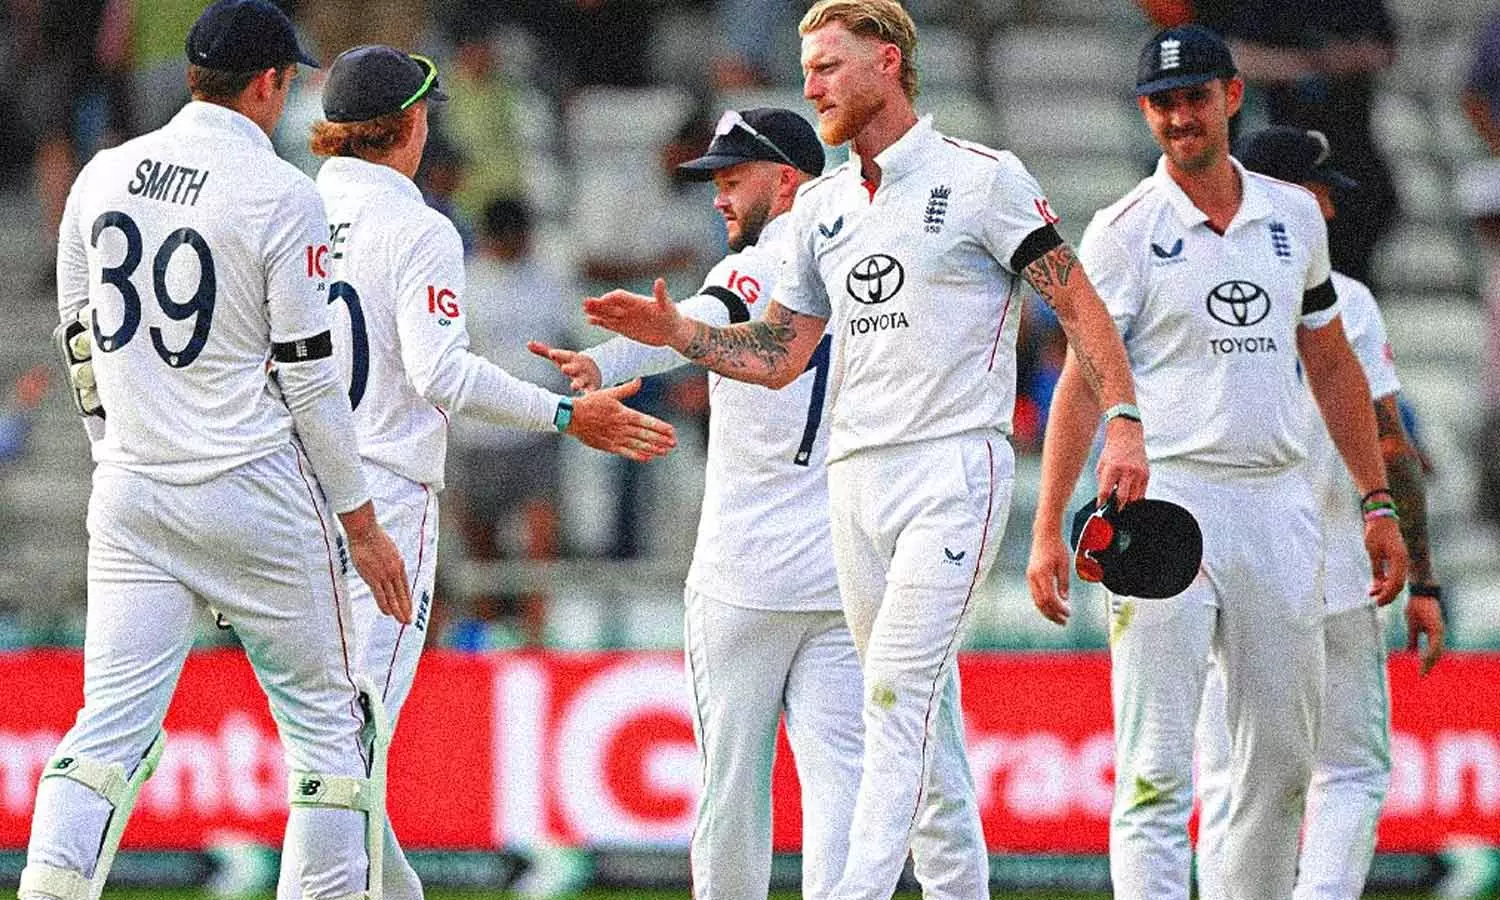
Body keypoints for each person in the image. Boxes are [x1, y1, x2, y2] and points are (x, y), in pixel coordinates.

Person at [583, 3, 1150, 897]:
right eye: (807, 68)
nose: (810, 86)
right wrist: (678, 335)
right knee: (927, 735)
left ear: (887, 62)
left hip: (952, 467)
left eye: (828, 66)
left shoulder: (981, 178)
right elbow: (778, 353)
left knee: (892, 695)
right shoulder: (824, 208)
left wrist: (1123, 418)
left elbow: (1078, 301)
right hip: (855, 482)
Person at [23, 3, 413, 900]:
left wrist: (114, 450)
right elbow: (309, 378)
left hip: (132, 489)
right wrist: (361, 526)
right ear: (270, 82)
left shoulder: (102, 173)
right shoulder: (283, 194)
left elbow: (78, 341)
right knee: (330, 731)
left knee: (106, 733)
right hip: (252, 489)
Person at [278, 44, 678, 900]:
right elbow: (442, 376)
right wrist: (565, 414)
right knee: (350, 744)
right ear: (408, 126)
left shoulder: (292, 214)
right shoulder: (419, 227)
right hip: (383, 500)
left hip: (292, 495)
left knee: (330, 739)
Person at [1023, 26, 1408, 900]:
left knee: (1280, 763)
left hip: (1277, 502)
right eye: (1162, 103)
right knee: (1156, 767)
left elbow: (1332, 363)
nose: (1179, 117)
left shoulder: (1293, 217)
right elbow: (1083, 381)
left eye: (1195, 97)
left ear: (1232, 96)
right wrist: (1048, 528)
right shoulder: (1124, 229)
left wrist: (1376, 500)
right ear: (1143, 112)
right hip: (1168, 501)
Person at [531, 106, 865, 900]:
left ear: (787, 180)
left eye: (733, 178)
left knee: (731, 789)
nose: (718, 197)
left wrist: (607, 358)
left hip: (745, 574)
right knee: (843, 786)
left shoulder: (766, 261)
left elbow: (703, 319)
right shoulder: (867, 264)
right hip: (841, 571)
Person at [1194, 125, 1444, 900]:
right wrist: (1424, 579)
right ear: (1287, 197)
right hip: (1333, 572)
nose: (1331, 209)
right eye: (1321, 191)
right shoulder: (1349, 302)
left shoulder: (1189, 283)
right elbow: (1392, 447)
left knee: (1227, 774)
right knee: (1349, 769)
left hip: (1223, 572)